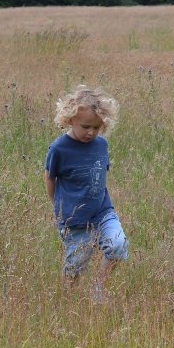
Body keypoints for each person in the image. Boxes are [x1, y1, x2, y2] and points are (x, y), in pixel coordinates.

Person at [44, 86, 128, 304]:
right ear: (70, 119)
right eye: (85, 126)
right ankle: (70, 303)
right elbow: (50, 178)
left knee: (118, 245)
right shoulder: (59, 149)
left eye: (96, 127)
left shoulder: (101, 145)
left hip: (103, 212)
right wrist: (59, 208)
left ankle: (98, 288)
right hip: (74, 219)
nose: (91, 132)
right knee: (76, 266)